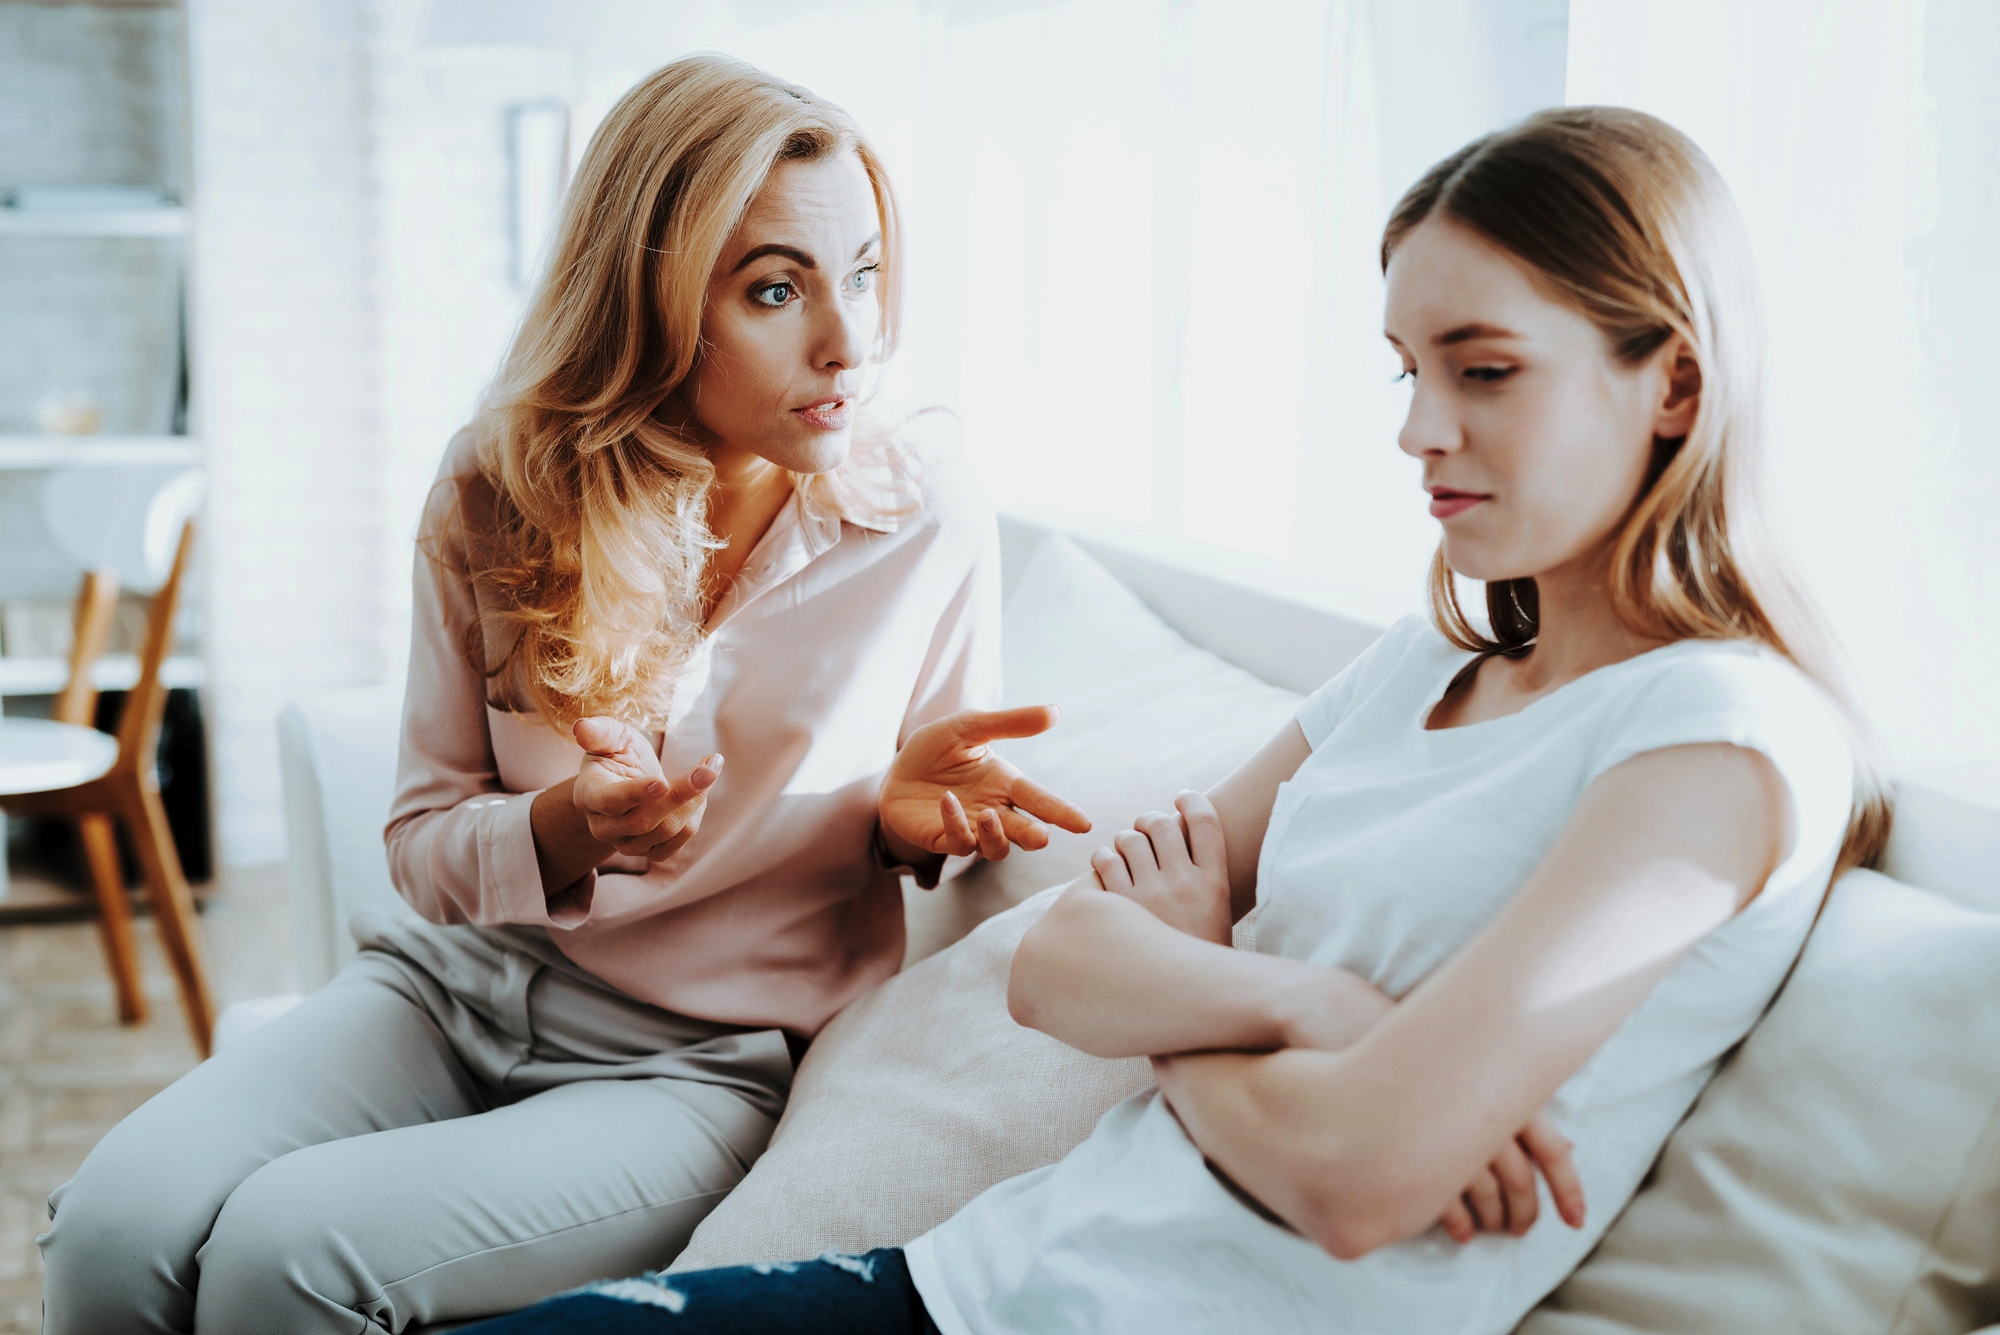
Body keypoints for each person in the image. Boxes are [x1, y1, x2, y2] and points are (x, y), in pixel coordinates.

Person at [463, 105, 1894, 1335]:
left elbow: (1355, 1179)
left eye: (1486, 369)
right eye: (1407, 368)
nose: (1416, 430)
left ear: (1678, 386)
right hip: (980, 1280)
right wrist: (1298, 1003)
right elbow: (1061, 961)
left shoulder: (1721, 735)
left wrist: (1193, 973)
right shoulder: (1415, 665)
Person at [37, 55, 1087, 1335]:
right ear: (647, 296)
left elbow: (934, 792)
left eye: (863, 272)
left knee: (284, 1255)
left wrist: (901, 826)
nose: (848, 341)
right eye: (774, 289)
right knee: (110, 1231)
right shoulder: (496, 484)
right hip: (449, 990)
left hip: (696, 1067)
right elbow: (421, 844)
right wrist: (559, 835)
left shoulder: (921, 518)